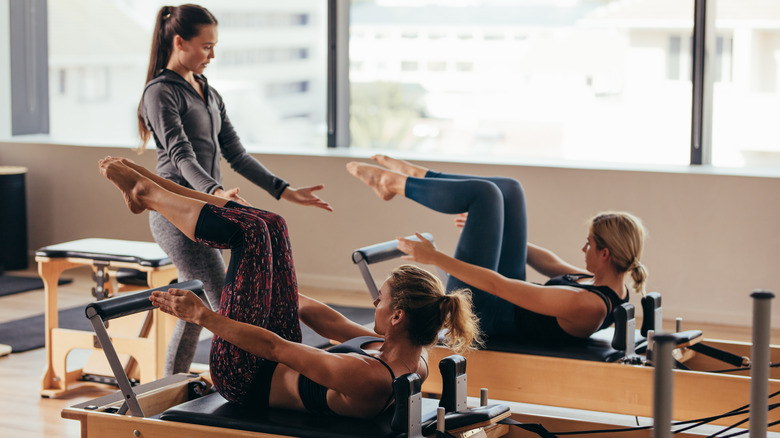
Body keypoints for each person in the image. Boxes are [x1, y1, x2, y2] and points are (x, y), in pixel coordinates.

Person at [98, 156, 480, 418]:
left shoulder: (369, 377)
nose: (373, 301)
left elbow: (275, 346)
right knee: (272, 227)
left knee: (249, 234)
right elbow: (327, 321)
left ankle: (147, 193)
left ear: (397, 316)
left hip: (243, 376)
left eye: (379, 299)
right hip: (265, 355)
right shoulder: (409, 354)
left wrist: (203, 315)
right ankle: (153, 187)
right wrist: (267, 280)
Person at [137, 4, 333, 375]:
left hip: (207, 207)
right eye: (206, 46)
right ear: (180, 42)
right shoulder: (161, 92)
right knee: (220, 305)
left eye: (214, 46)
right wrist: (214, 192)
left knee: (197, 309)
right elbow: (181, 156)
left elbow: (237, 154)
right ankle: (249, 378)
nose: (212, 54)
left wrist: (285, 191)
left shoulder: (206, 91)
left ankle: (171, 385)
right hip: (176, 212)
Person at [347, 155, 648, 344]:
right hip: (502, 303)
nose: (584, 249)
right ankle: (421, 177)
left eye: (590, 244)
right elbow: (550, 263)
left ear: (606, 254)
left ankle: (394, 183)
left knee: (485, 194)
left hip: (485, 316)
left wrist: (434, 257)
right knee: (510, 189)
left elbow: (497, 284)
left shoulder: (587, 306)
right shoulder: (607, 284)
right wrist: (492, 228)